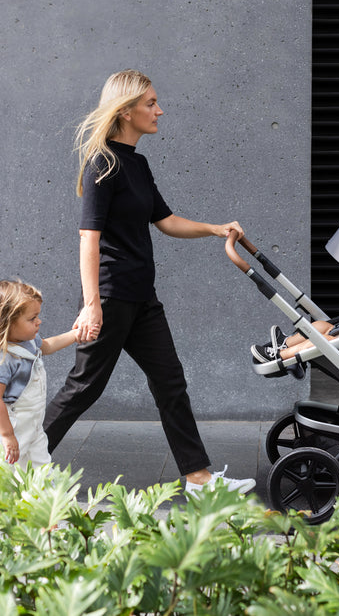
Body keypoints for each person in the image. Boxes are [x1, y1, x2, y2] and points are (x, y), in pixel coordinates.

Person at [43, 69, 254, 496]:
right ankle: (15, 463)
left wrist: (215, 229)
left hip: (141, 297)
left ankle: (199, 479)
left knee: (170, 381)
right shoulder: (103, 162)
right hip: (112, 296)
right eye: (151, 103)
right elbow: (88, 238)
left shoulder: (137, 163)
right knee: (83, 387)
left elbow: (166, 220)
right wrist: (92, 304)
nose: (160, 110)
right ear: (126, 111)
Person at [0, 280, 77, 468]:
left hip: (35, 424)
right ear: (7, 322)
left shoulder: (30, 341)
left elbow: (48, 346)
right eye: (32, 318)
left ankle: (46, 487)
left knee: (42, 466)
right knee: (9, 469)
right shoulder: (5, 359)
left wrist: (75, 335)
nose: (39, 321)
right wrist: (8, 435)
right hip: (15, 426)